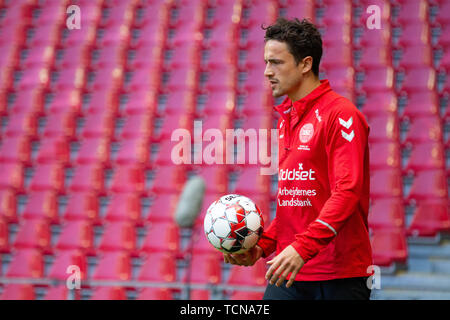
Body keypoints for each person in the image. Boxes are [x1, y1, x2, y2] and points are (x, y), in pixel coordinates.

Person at [223, 17, 373, 300]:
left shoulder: (341, 115)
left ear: (305, 64)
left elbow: (347, 192)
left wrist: (302, 248)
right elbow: (296, 205)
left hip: (339, 274)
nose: (267, 72)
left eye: (276, 63)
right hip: (291, 271)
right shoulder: (287, 119)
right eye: (266, 62)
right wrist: (262, 247)